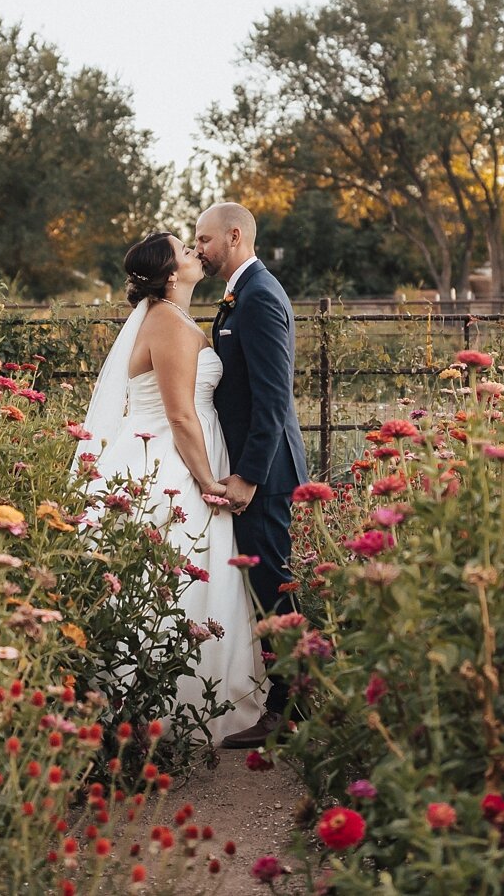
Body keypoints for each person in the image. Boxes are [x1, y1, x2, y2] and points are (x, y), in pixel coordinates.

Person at [80, 230, 267, 744]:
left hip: (186, 452)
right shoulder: (166, 322)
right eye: (185, 251)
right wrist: (207, 480)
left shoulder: (177, 318)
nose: (194, 253)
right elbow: (181, 414)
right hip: (169, 463)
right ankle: (159, 708)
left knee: (198, 578)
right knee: (178, 576)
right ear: (169, 274)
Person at [192, 202, 308, 749]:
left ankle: (291, 711)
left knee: (272, 585)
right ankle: (283, 698)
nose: (198, 249)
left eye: (204, 239)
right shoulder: (243, 292)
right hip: (251, 467)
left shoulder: (260, 297)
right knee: (263, 584)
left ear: (234, 236)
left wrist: (247, 477)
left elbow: (272, 399)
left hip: (264, 472)